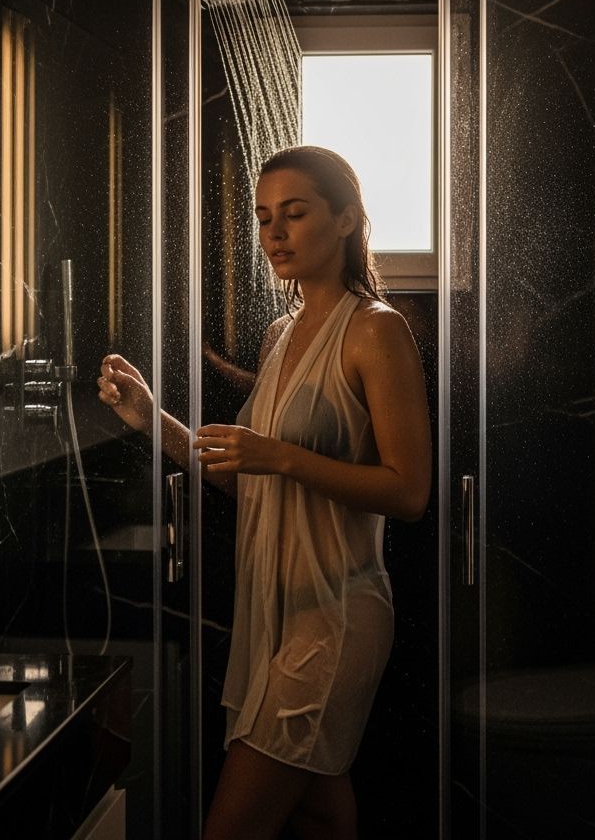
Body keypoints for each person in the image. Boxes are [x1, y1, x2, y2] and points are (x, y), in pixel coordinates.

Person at [96, 145, 432, 839]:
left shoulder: (377, 331)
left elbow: (409, 492)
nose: (274, 233)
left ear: (345, 220)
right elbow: (246, 475)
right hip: (272, 613)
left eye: (295, 213)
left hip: (337, 617)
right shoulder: (282, 334)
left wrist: (281, 457)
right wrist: (150, 416)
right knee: (317, 807)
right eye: (263, 217)